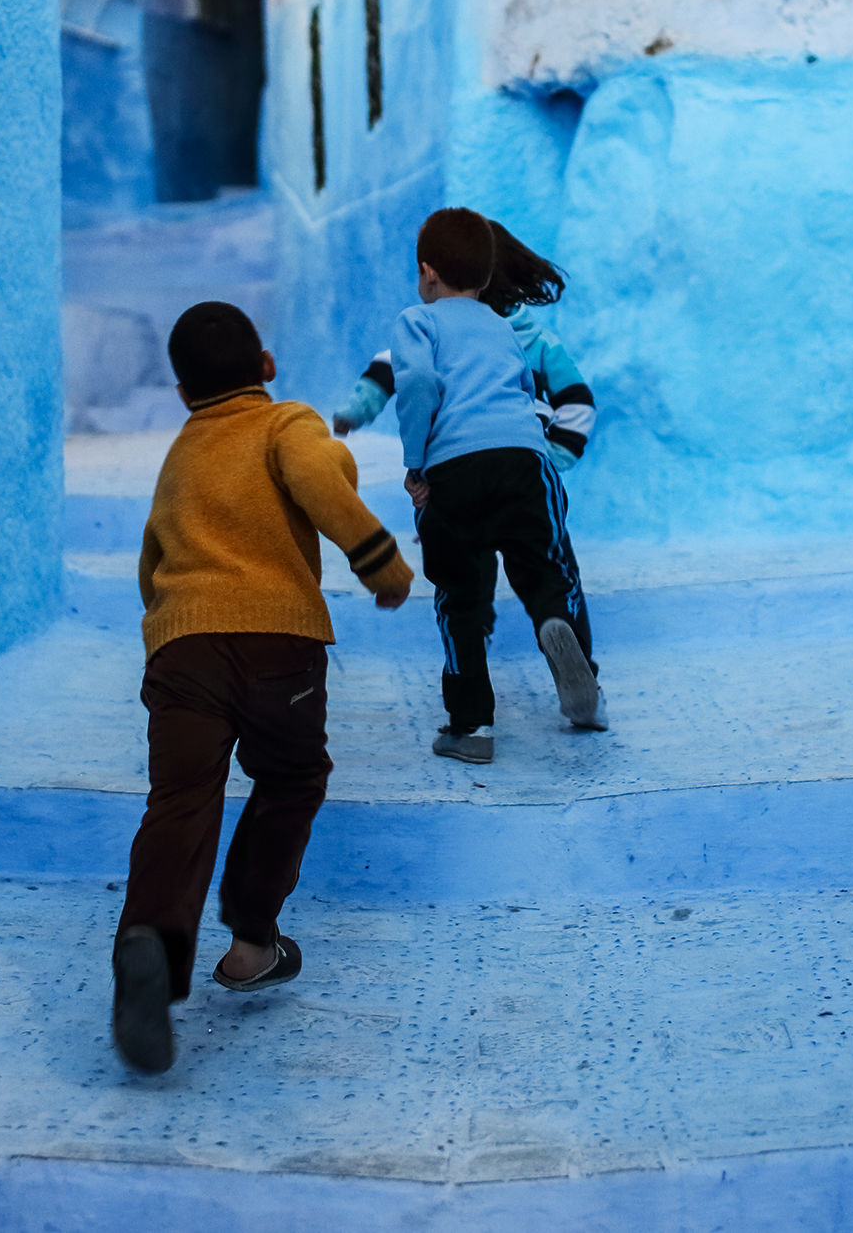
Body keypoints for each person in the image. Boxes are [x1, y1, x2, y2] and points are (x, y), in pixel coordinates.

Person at [111, 301, 414, 1077]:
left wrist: (173, 628)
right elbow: (319, 476)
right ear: (268, 367)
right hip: (278, 643)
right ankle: (251, 942)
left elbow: (152, 565)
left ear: (183, 394)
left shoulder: (181, 453)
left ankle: (151, 938)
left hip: (181, 648)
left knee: (180, 801)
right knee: (290, 778)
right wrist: (379, 563)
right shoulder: (286, 424)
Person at [395, 208, 603, 764]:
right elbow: (521, 390)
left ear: (427, 273)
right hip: (525, 462)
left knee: (459, 594)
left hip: (454, 470)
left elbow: (415, 385)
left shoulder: (418, 321)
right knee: (548, 571)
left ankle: (472, 726)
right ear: (486, 279)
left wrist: (417, 463)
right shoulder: (505, 327)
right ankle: (557, 626)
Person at [331, 220, 598, 475]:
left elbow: (393, 363)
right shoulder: (541, 343)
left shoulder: (437, 333)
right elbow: (578, 403)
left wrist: (355, 411)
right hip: (523, 464)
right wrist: (553, 455)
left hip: (454, 460)